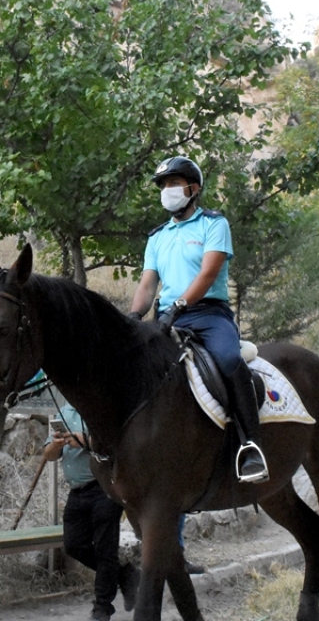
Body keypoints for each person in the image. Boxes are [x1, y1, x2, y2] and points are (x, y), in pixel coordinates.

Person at [129, 156, 267, 483]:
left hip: (209, 314)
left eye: (174, 184)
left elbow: (208, 274)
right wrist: (134, 318)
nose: (167, 191)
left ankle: (250, 445)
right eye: (163, 186)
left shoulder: (213, 224)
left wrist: (178, 306)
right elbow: (147, 285)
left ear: (194, 188)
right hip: (167, 319)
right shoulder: (157, 237)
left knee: (229, 360)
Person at [44, 403, 138, 621]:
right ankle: (125, 574)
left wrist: (84, 440)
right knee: (73, 545)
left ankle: (102, 608)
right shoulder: (64, 412)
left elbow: (117, 444)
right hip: (76, 492)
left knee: (106, 550)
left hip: (103, 487)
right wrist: (57, 445)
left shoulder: (99, 408)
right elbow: (48, 454)